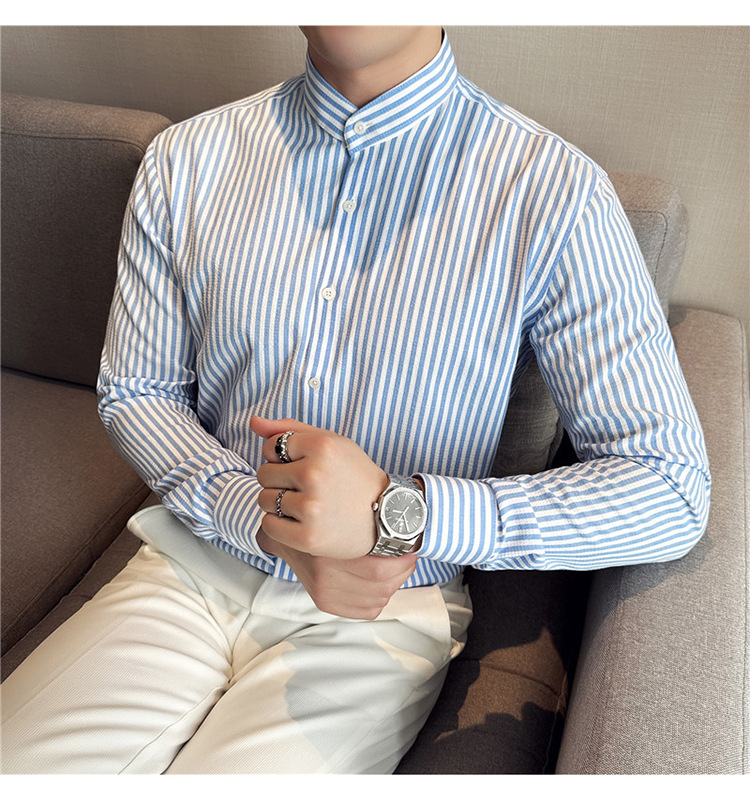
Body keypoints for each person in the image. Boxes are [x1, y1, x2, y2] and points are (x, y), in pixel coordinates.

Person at [1, 26, 710, 774]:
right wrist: (263, 519)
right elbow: (138, 390)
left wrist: (396, 515)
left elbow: (667, 487)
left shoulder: (554, 192)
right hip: (192, 562)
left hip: (386, 609)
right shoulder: (187, 159)